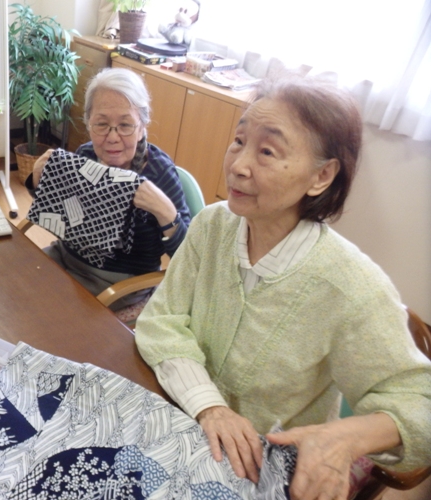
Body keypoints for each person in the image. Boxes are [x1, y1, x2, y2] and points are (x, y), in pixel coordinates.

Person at [134, 75, 431, 499]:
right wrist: (210, 405)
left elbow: (421, 403)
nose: (238, 164)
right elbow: (161, 319)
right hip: (184, 421)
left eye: (267, 151)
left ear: (321, 176)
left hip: (262, 471)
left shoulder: (351, 286)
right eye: (239, 140)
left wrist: (348, 437)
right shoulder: (213, 226)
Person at [27, 68, 191, 308]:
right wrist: (38, 180)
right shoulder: (85, 155)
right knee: (16, 284)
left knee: (46, 312)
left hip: (119, 284)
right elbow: (62, 208)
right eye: (102, 124)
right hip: (65, 258)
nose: (113, 137)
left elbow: (189, 256)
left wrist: (165, 211)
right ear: (88, 124)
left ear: (142, 127)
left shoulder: (159, 173)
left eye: (125, 125)